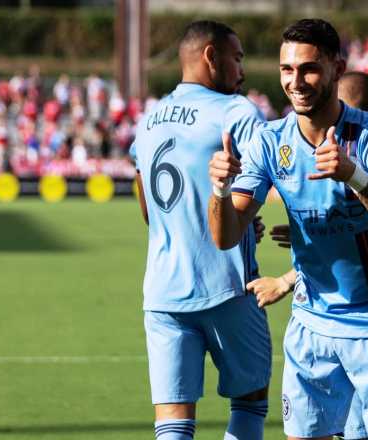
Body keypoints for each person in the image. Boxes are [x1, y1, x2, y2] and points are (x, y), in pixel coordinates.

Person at [208, 18, 368, 440]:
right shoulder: (270, 142)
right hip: (311, 326)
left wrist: (355, 176)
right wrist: (219, 191)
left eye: (309, 68)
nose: (296, 81)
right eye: (287, 70)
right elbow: (225, 236)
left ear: (336, 67)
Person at [129, 21, 271, 440]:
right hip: (226, 286)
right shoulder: (236, 112)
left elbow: (147, 209)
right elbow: (254, 190)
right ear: (212, 57)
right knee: (250, 402)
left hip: (162, 293)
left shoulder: (149, 119)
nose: (242, 70)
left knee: (173, 424)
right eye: (238, 58)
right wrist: (240, 219)